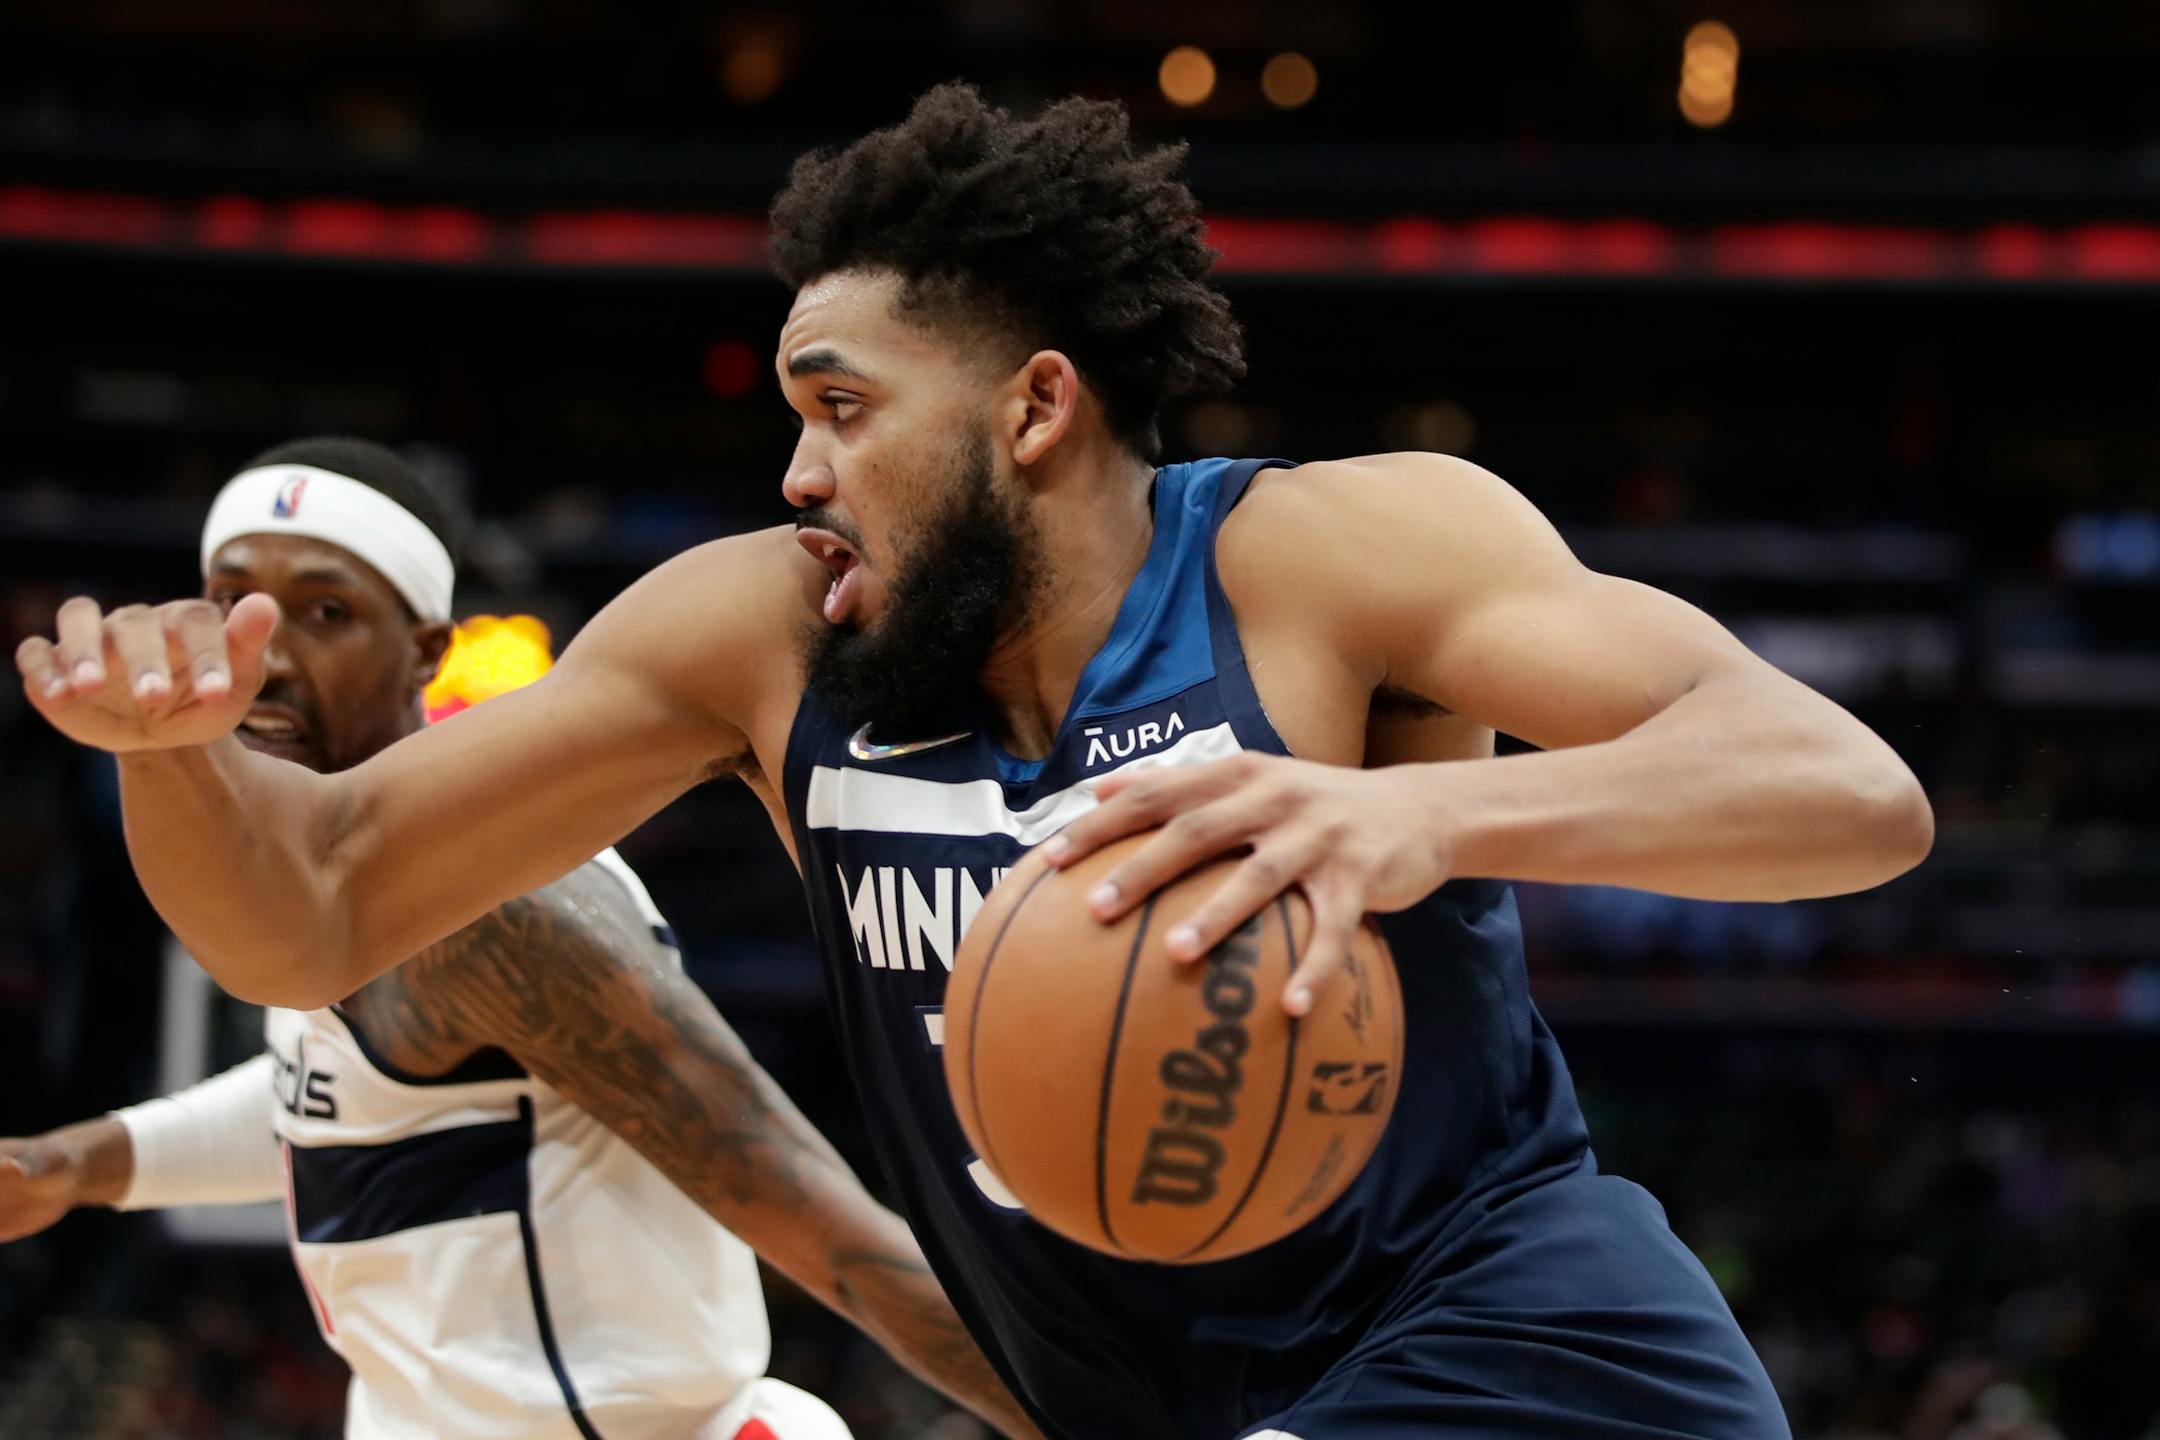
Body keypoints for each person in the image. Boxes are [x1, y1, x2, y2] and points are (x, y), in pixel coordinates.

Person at [16, 87, 1934, 1440]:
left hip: (1515, 1356)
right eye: (791, 417)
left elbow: (1841, 789)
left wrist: (1421, 811)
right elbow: (312, 908)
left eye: (842, 410)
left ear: (1034, 408)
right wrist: (171, 763)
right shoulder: (758, 638)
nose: (797, 472)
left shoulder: (1335, 557)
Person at [1, 437, 1036, 1440]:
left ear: (424, 651)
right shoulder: (308, 889)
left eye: (325, 611)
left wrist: (1105, 1420)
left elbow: (829, 1236)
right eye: (233, 604)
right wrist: (73, 1166)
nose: (264, 654)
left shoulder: (499, 907)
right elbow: (332, 1101)